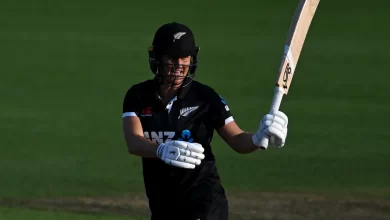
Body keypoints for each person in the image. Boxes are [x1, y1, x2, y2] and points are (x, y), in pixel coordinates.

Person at [122, 22, 289, 220]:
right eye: (172, 58)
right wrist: (161, 150)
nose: (179, 65)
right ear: (158, 58)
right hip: (163, 206)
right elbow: (133, 142)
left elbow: (237, 139)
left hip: (204, 203)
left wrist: (258, 137)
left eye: (185, 58)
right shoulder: (138, 96)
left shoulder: (205, 98)